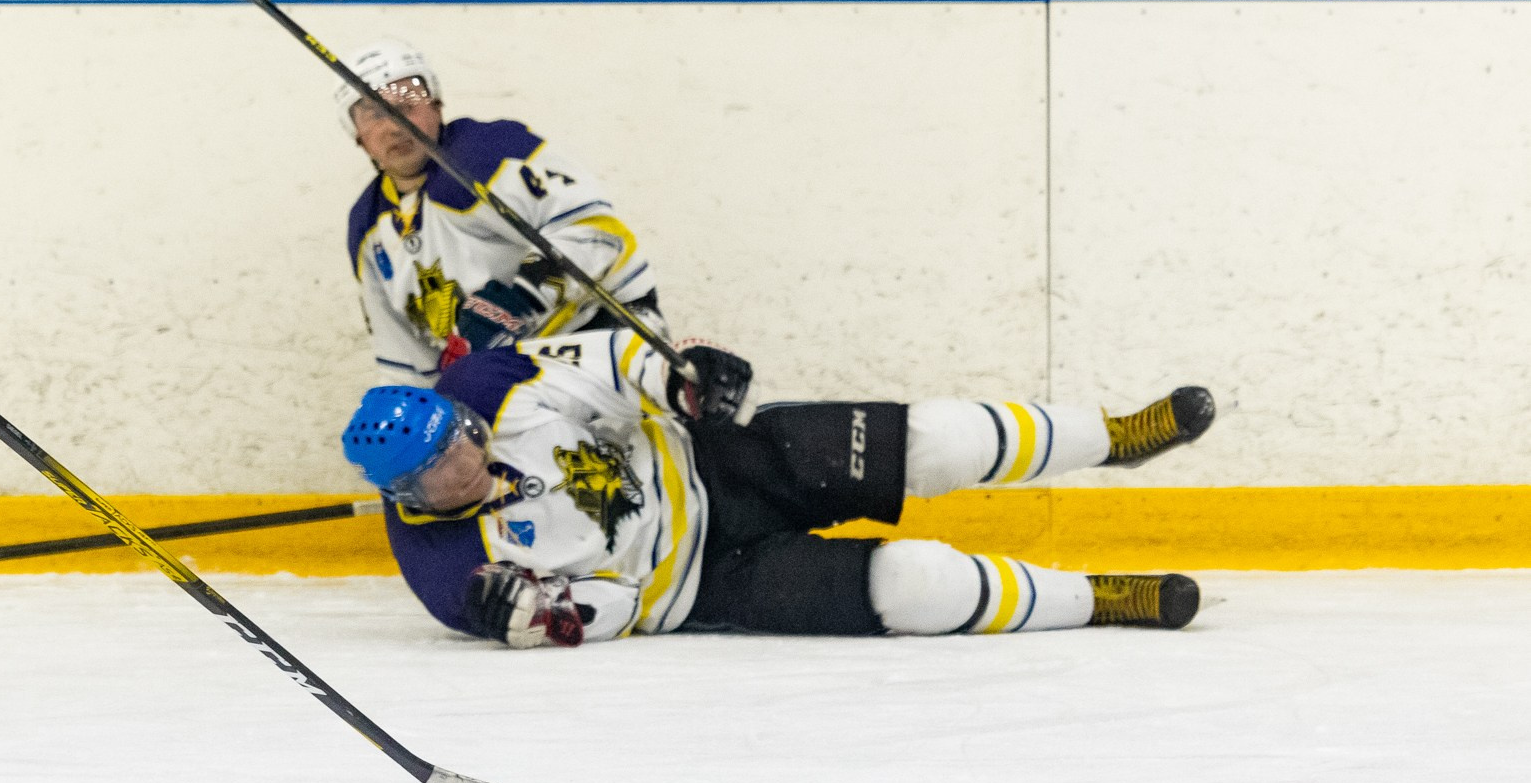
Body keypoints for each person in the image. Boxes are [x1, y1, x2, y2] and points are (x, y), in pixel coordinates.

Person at [341, 330, 1216, 647]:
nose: (469, 457)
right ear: (412, 490)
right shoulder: (452, 574)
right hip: (707, 584)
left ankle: (1117, 434)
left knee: (933, 440)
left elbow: (610, 362)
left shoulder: (490, 388)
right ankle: (1100, 599)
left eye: (462, 436)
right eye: (445, 468)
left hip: (723, 463)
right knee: (911, 585)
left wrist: (680, 377)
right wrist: (553, 623)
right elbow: (615, 605)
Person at [341, 39, 667, 387]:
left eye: (408, 104)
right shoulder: (367, 228)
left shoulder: (484, 156)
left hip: (596, 335)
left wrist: (519, 301)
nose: (394, 125)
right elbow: (406, 365)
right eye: (374, 114)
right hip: (495, 382)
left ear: (437, 106)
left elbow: (598, 233)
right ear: (357, 135)